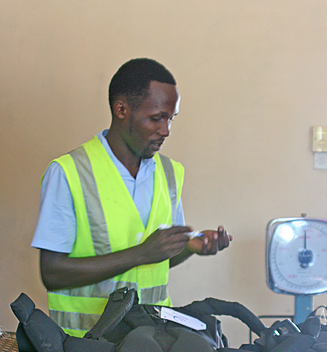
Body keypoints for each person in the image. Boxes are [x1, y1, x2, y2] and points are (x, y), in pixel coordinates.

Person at [31, 58, 232, 336]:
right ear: (121, 109)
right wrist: (140, 254)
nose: (166, 130)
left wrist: (188, 248)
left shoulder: (170, 173)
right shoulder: (69, 172)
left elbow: (157, 260)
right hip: (84, 346)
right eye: (156, 118)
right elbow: (52, 273)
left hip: (152, 344)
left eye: (171, 118)